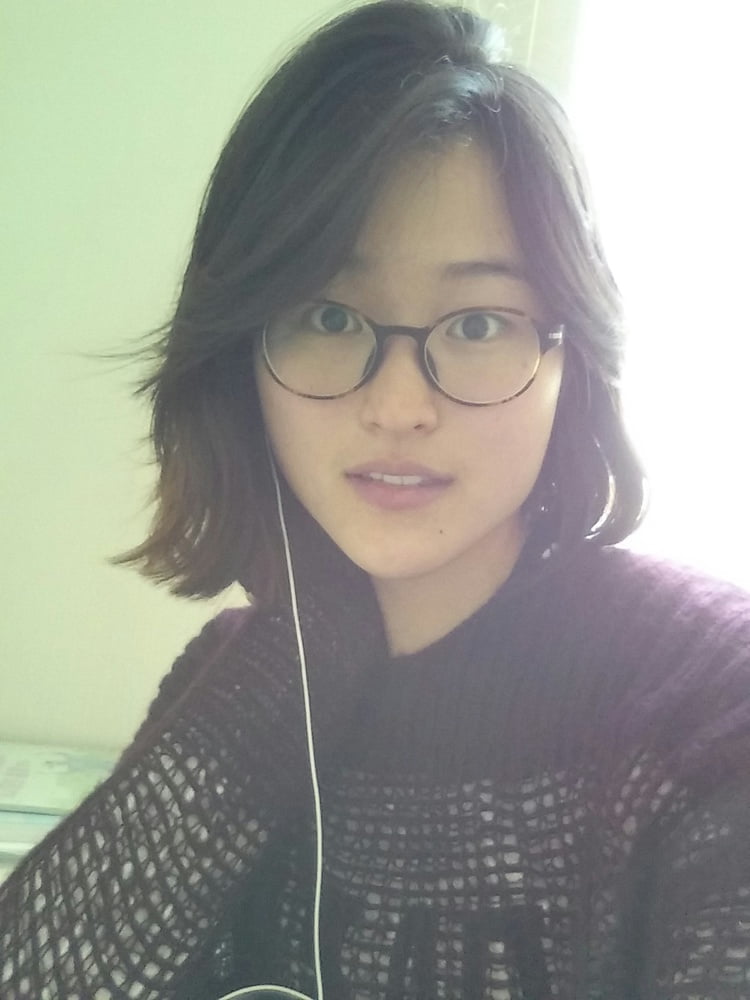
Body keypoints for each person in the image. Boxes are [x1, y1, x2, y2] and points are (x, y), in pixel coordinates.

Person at [2, 1, 750, 998]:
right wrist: (299, 643)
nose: (398, 406)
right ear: (240, 357)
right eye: (327, 315)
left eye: (477, 323)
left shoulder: (711, 705)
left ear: (571, 358)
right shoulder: (229, 674)